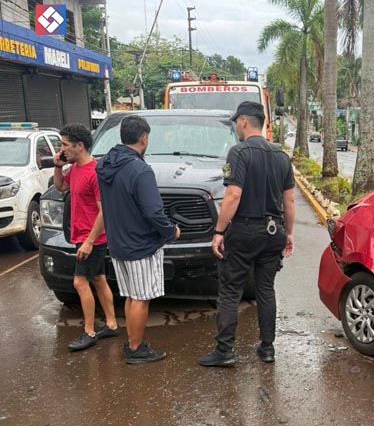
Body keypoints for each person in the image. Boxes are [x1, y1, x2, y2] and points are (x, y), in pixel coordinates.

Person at [197, 100, 295, 368]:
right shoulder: (281, 156)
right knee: (266, 289)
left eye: (236, 123)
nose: (236, 128)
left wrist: (218, 231)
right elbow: (289, 203)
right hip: (274, 230)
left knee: (230, 290)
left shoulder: (238, 152)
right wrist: (289, 234)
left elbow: (233, 195)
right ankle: (267, 348)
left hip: (244, 231)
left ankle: (225, 350)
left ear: (243, 121)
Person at [96, 115, 180, 365]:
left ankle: (133, 341)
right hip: (141, 244)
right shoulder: (140, 169)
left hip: (118, 242)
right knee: (141, 297)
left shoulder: (105, 164)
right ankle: (135, 348)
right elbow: (154, 212)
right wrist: (171, 231)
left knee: (132, 295)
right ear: (144, 137)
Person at [53, 124, 119, 351]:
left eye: (65, 145)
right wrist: (58, 167)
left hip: (93, 239)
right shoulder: (75, 169)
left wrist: (90, 242)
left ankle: (89, 332)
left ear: (79, 146)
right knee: (98, 279)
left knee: (80, 282)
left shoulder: (95, 172)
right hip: (82, 236)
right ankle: (111, 324)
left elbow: (105, 210)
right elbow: (61, 187)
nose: (62, 149)